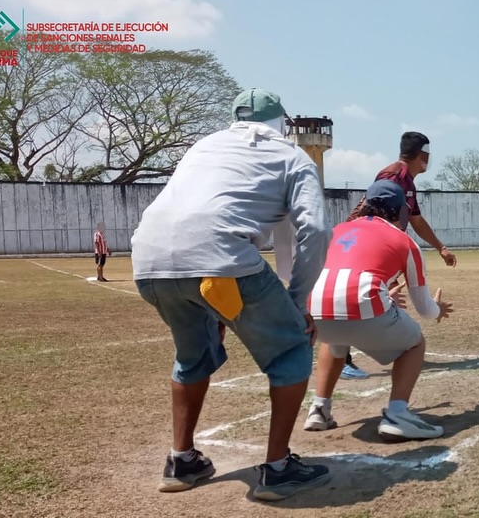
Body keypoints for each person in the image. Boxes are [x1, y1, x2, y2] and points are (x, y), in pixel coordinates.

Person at [130, 88, 334, 501]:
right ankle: (278, 470)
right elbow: (313, 230)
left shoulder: (204, 146)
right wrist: (296, 302)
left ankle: (181, 460)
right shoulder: (292, 157)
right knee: (292, 347)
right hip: (220, 259)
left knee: (192, 355)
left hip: (148, 263)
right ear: (284, 123)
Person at [302, 179, 454, 440]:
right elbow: (426, 310)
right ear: (399, 211)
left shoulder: (337, 229)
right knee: (415, 343)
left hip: (314, 312)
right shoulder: (405, 241)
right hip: (362, 306)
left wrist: (383, 294)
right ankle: (397, 413)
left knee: (335, 342)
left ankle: (319, 407)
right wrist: (438, 309)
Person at [338, 131, 457, 380]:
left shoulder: (407, 181)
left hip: (378, 245)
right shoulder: (393, 176)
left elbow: (416, 220)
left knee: (381, 299)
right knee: (356, 296)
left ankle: (382, 347)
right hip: (364, 246)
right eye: (427, 155)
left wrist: (440, 247)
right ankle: (344, 359)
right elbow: (373, 212)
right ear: (422, 155)